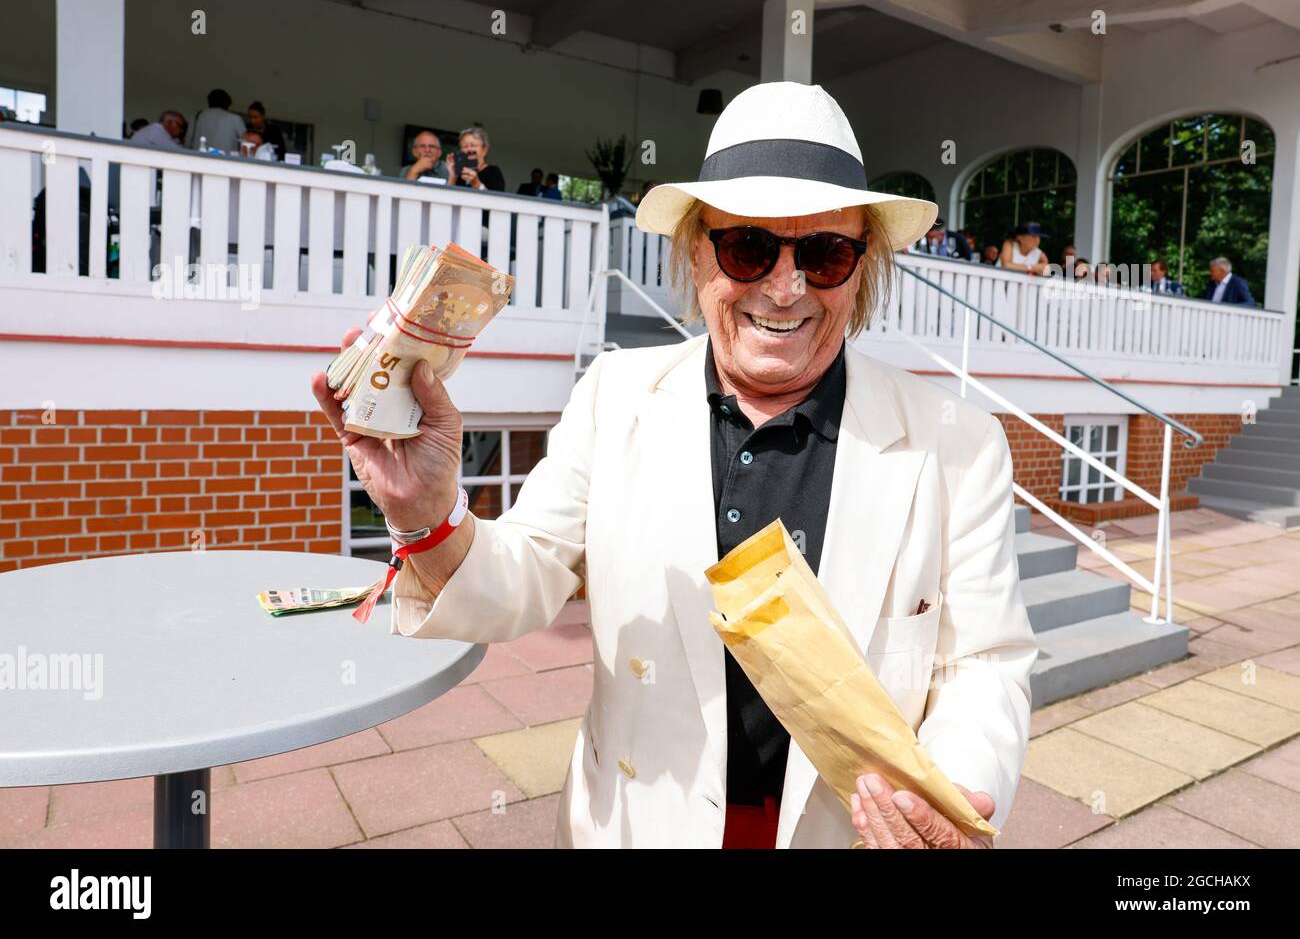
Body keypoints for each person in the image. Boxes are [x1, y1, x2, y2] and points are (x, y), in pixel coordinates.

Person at [311, 81, 1035, 850]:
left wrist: (955, 794)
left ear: (861, 267)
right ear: (697, 251)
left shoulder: (958, 442)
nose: (784, 288)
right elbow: (522, 579)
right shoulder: (614, 395)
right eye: (749, 247)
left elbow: (982, 661)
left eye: (823, 253)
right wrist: (427, 513)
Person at [445, 127, 505, 191]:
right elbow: (447, 197)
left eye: (473, 145)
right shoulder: (460, 172)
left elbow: (495, 200)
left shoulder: (493, 172)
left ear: (485, 150)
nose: (469, 149)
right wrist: (453, 175)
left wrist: (477, 184)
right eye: (465, 146)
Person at [187, 89, 244, 153]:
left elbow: (188, 140)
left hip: (199, 158)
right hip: (226, 160)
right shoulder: (235, 118)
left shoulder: (198, 116)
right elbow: (246, 142)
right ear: (228, 103)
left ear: (209, 102)